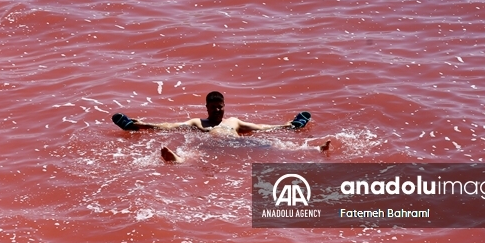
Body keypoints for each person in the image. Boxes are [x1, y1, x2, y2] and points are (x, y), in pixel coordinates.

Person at [112, 91, 329, 162]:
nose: (217, 110)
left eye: (220, 107)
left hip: (237, 147)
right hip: (212, 147)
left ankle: (314, 149)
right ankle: (177, 161)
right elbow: (170, 126)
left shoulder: (233, 122)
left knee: (271, 144)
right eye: (213, 107)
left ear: (225, 106)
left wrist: (286, 125)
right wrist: (142, 125)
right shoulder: (198, 123)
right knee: (194, 151)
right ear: (206, 107)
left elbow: (260, 127)